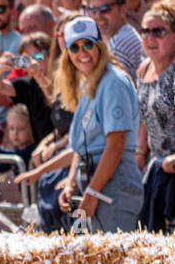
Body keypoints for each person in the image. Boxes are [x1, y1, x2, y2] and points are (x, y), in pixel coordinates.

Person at [54, 16, 143, 232]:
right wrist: (72, 183)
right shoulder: (91, 81)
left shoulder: (113, 81)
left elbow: (116, 144)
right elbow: (82, 147)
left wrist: (92, 193)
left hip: (110, 184)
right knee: (93, 261)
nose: (82, 53)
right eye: (74, 48)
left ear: (100, 46)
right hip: (96, 182)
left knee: (111, 259)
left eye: (88, 44)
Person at [136, 0, 175, 230]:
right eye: (145, 32)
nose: (150, 38)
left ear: (174, 35)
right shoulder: (143, 68)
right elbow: (144, 111)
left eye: (158, 32)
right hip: (156, 164)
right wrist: (140, 151)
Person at [85, 0, 144, 79]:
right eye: (93, 10)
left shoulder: (119, 45)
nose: (98, 16)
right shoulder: (124, 33)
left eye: (105, 9)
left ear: (123, 10)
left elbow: (114, 89)